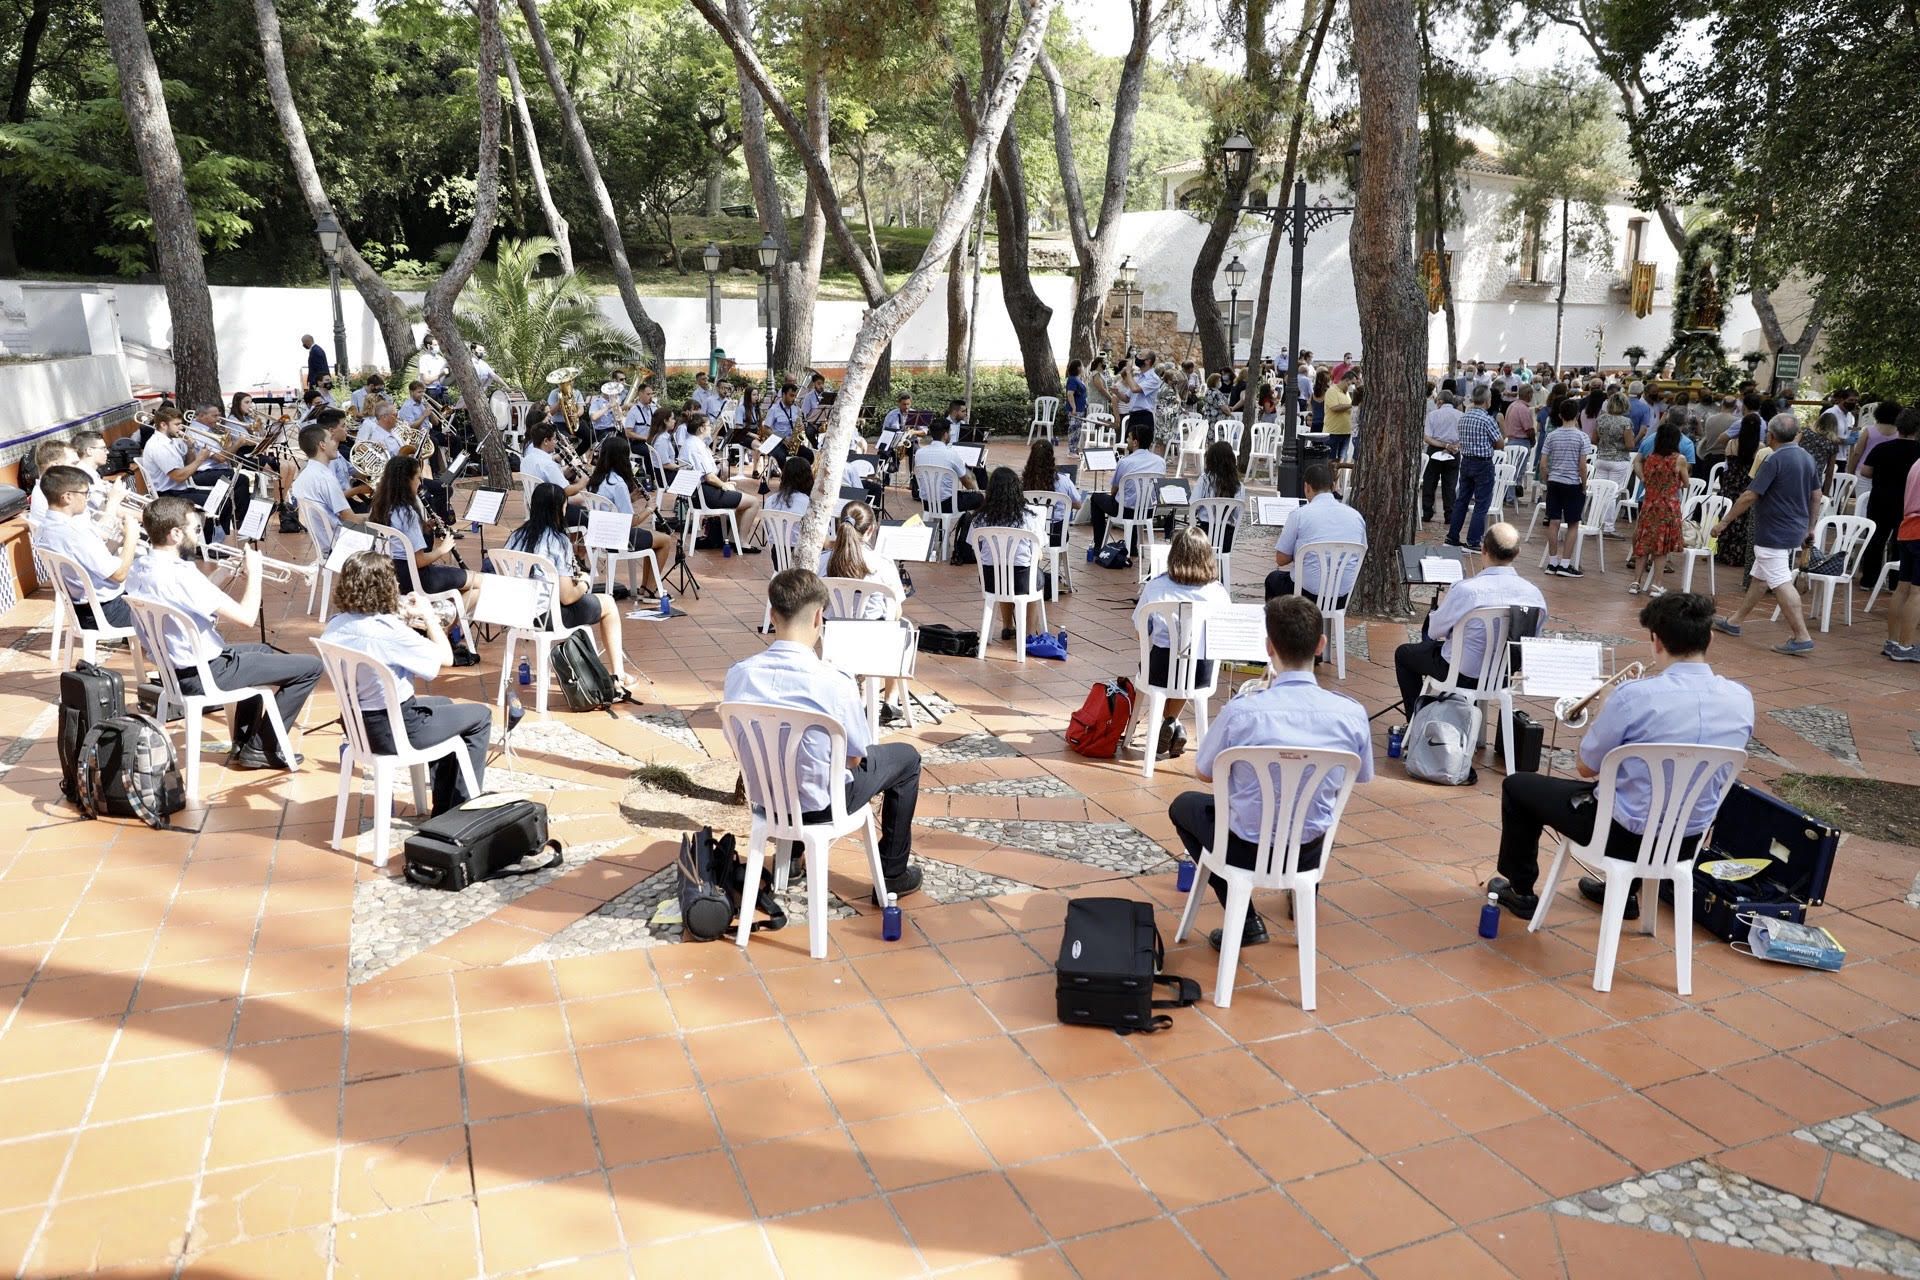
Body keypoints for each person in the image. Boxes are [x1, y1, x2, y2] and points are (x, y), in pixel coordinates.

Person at [1486, 592, 1753, 921]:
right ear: (1710, 638)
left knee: (1518, 786)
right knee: (1656, 793)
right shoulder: (1741, 699)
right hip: (1686, 840)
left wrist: (1605, 708)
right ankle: (1625, 893)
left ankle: (1521, 890)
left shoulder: (1633, 697)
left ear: (1655, 641)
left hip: (1620, 838)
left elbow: (1585, 768)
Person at [1167, 595, 1373, 951]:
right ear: (1321, 645)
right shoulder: (1351, 714)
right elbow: (1361, 776)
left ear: (1268, 647)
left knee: (1183, 806)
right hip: (1309, 849)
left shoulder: (1243, 712)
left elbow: (1203, 772)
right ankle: (1301, 891)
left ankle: (1245, 920)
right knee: (1309, 804)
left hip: (1243, 849)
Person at [724, 569, 923, 901]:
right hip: (823, 805)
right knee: (907, 760)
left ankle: (793, 858)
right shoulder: (835, 681)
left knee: (798, 760)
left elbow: (737, 744)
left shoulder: (739, 675)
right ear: (819, 616)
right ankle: (891, 875)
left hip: (768, 801)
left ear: (773, 616)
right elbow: (856, 757)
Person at [125, 496, 321, 770]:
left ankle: (244, 745)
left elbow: (190, 598)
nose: (199, 536)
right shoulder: (182, 575)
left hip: (175, 672)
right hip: (205, 673)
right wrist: (255, 573)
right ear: (175, 534)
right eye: (195, 530)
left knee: (262, 651)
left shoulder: (140, 568)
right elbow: (247, 617)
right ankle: (265, 748)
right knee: (311, 667)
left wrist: (225, 575)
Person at [322, 551, 491, 815]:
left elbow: (375, 633)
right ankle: (460, 812)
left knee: (443, 704)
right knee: (480, 716)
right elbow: (446, 659)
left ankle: (443, 808)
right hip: (393, 730)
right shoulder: (389, 633)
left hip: (358, 726)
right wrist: (429, 617)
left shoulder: (334, 625)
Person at [1392, 522, 1542, 715]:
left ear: (1483, 549)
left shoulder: (1467, 590)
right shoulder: (1534, 595)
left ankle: (1417, 720)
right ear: (1517, 553)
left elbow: (1434, 632)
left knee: (1404, 654)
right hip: (1502, 675)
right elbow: (1530, 640)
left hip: (1460, 673)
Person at [506, 482, 637, 695]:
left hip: (518, 612)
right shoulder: (558, 541)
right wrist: (584, 583)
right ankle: (619, 674)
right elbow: (567, 597)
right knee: (609, 605)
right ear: (558, 509)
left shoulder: (516, 536)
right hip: (547, 615)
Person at [1711, 414, 1825, 655]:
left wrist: (1724, 522)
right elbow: (1816, 495)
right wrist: (1811, 526)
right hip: (1794, 527)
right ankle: (1734, 622)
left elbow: (1750, 495)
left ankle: (1801, 635)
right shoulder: (1807, 458)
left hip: (1773, 529)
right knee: (1760, 577)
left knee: (1780, 581)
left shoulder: (1774, 460)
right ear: (1796, 434)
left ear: (1771, 436)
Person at [1135, 528, 1231, 760]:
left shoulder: (1155, 587)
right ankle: (1172, 723)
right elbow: (1224, 632)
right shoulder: (1217, 593)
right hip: (1201, 673)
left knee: (1172, 661)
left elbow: (1140, 629)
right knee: (1186, 662)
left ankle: (1168, 723)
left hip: (1158, 669)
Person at [820, 504, 913, 722]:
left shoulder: (824, 560)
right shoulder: (882, 563)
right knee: (904, 627)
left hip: (834, 637)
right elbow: (896, 611)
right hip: (872, 642)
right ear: (870, 530)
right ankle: (891, 700)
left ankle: (859, 690)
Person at [31, 465, 141, 628]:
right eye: (85, 493)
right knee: (172, 608)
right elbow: (119, 575)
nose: (87, 498)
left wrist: (117, 542)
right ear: (67, 497)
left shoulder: (44, 528)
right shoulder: (75, 532)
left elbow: (90, 563)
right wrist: (132, 536)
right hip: (108, 612)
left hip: (84, 610)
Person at [970, 466, 1049, 644]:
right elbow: (1038, 553)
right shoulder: (1029, 517)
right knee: (1033, 577)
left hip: (990, 580)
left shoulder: (980, 518)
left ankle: (1007, 626)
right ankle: (1029, 634)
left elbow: (974, 546)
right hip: (1022, 580)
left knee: (1002, 572)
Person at [1265, 461, 1365, 602]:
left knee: (1273, 579)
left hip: (1307, 595)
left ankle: (1280, 623)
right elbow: (1360, 552)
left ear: (1307, 487)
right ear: (1333, 486)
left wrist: (1302, 552)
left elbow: (1281, 559)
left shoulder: (1299, 515)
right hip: (1341, 595)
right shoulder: (1356, 517)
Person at [585, 436, 675, 590]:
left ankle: (646, 587)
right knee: (665, 540)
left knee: (653, 538)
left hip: (601, 535)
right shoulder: (618, 483)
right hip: (619, 538)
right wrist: (649, 509)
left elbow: (611, 507)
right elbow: (631, 521)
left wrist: (631, 498)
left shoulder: (597, 479)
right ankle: (651, 589)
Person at [682, 411, 762, 549]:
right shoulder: (697, 447)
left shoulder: (689, 443)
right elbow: (709, 477)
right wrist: (724, 485)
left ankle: (733, 539)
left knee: (740, 498)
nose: (711, 428)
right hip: (705, 495)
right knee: (753, 502)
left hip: (697, 493)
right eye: (708, 425)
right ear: (701, 428)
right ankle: (741, 542)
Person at [1861, 406, 1920, 593]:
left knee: (1876, 539)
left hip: (1880, 499)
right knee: (1899, 542)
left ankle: (1868, 580)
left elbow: (1866, 471)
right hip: (1905, 502)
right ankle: (1896, 582)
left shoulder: (1882, 448)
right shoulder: (1918, 452)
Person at [1088, 417, 1164, 554]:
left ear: (1135, 442)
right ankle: (1132, 547)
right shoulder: (1160, 462)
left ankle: (1098, 545)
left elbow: (1114, 490)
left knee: (1096, 498)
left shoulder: (1125, 462)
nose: (1127, 440)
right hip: (1148, 510)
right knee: (1134, 498)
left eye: (1128, 438)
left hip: (1125, 510)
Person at [1629, 422, 1689, 596]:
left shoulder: (1651, 457)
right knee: (1661, 547)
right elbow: (1686, 483)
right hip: (1668, 506)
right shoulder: (1679, 459)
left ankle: (1635, 582)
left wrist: (1644, 479)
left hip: (1649, 504)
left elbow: (1639, 466)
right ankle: (1657, 584)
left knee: (1644, 542)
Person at [1539, 398, 1594, 576]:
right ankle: (1565, 563)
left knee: (1553, 522)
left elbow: (1543, 463)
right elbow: (1582, 465)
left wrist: (1547, 479)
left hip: (1554, 481)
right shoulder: (1582, 437)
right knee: (1572, 524)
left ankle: (1552, 561)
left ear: (1560, 415)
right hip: (1572, 483)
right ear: (1577, 415)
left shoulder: (1552, 435)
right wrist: (1584, 485)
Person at [1445, 385, 1505, 549]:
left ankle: (1452, 536)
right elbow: (1499, 443)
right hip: (1483, 463)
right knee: (1481, 504)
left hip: (1466, 461)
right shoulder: (1487, 419)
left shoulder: (1464, 417)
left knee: (1462, 501)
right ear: (1487, 401)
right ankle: (1473, 540)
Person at [289, 423, 367, 540]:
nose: (335, 443)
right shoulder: (326, 478)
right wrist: (381, 516)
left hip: (324, 540)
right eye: (331, 439)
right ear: (322, 445)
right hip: (342, 541)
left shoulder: (303, 476)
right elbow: (351, 519)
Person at [1884, 440, 1920, 661]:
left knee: (1902, 588)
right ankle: (1906, 646)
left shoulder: (1917, 463)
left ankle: (1893, 641)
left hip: (1906, 528)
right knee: (1917, 592)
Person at [1021, 439, 1082, 549]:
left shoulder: (1024, 481)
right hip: (1057, 535)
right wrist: (1062, 504)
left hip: (1030, 534)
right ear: (1051, 458)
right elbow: (1078, 504)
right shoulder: (1064, 480)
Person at [915, 417, 984, 514]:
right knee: (979, 498)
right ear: (945, 434)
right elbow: (967, 483)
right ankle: (970, 527)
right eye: (950, 431)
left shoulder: (919, 452)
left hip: (927, 503)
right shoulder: (951, 453)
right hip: (947, 504)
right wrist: (977, 490)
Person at [1592, 392, 1637, 535]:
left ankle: (1595, 521)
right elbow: (1630, 444)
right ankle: (1608, 526)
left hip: (1601, 458)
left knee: (1600, 493)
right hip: (1618, 460)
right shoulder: (1625, 422)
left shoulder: (1600, 419)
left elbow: (1594, 439)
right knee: (1612, 494)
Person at [1191, 440, 1243, 552]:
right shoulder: (1239, 486)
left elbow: (1193, 505)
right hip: (1226, 538)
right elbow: (1238, 514)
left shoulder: (1205, 480)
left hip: (1203, 536)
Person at [1423, 390, 1463, 524]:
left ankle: (1427, 511)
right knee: (1450, 484)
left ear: (1440, 401)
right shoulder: (1461, 416)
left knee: (1430, 482)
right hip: (1453, 451)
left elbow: (1427, 437)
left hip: (1435, 450)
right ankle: (1449, 514)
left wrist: (1443, 445)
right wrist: (1453, 446)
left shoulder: (1433, 415)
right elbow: (1464, 437)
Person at [1118, 352, 1162, 435]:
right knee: (1129, 445)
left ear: (1148, 361)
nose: (1137, 357)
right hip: (1133, 416)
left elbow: (1135, 389)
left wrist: (1128, 373)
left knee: (1140, 446)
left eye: (1141, 355)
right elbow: (1126, 399)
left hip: (1144, 417)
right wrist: (1116, 392)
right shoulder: (1138, 377)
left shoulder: (1153, 378)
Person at [1323, 369, 1356, 461]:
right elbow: (1335, 408)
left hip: (1345, 432)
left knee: (1342, 459)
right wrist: (1351, 405)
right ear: (1346, 380)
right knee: (1331, 460)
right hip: (1333, 432)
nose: (1352, 387)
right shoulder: (1332, 391)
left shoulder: (1347, 394)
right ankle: (1330, 476)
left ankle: (1339, 475)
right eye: (1351, 383)